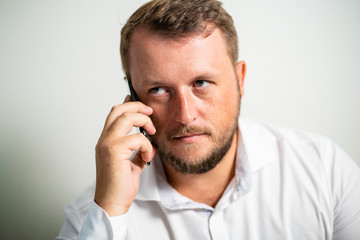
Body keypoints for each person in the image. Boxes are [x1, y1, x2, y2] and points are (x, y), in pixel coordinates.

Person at [56, 0, 360, 239]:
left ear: (240, 80)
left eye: (201, 83)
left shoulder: (324, 170)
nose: (185, 114)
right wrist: (110, 214)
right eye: (158, 90)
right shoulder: (94, 216)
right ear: (133, 98)